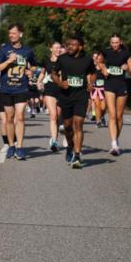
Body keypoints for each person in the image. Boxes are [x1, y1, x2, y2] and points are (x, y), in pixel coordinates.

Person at [0, 23, 36, 160]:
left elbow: (34, 66)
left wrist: (31, 71)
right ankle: (11, 145)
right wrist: (8, 61)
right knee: (10, 118)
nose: (11, 35)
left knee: (20, 116)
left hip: (21, 88)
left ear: (20, 34)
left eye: (14, 33)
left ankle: (20, 147)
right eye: (10, 33)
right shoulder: (4, 50)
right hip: (6, 89)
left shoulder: (28, 51)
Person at [52, 33, 96, 169]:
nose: (70, 47)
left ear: (80, 47)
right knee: (67, 127)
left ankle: (77, 156)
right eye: (69, 44)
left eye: (73, 45)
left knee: (78, 124)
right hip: (66, 96)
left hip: (81, 96)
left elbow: (93, 73)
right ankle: (70, 146)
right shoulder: (62, 59)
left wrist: (91, 83)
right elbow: (53, 73)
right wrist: (59, 83)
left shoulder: (88, 60)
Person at [102, 34, 131, 155]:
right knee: (112, 114)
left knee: (119, 116)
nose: (114, 45)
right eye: (112, 42)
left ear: (120, 42)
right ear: (110, 43)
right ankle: (114, 144)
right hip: (109, 85)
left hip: (122, 85)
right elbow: (98, 61)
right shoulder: (106, 52)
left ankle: (116, 139)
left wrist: (127, 68)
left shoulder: (126, 54)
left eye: (116, 42)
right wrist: (103, 68)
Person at [39, 41, 63, 151]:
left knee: (58, 115)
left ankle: (56, 135)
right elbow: (43, 72)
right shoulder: (46, 60)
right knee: (53, 115)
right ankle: (54, 141)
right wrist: (39, 81)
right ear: (51, 49)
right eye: (56, 48)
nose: (58, 49)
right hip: (49, 89)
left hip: (62, 89)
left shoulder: (64, 60)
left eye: (60, 48)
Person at [91, 51, 108, 128]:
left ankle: (102, 116)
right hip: (94, 88)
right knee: (97, 105)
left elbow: (106, 75)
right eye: (94, 57)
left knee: (103, 107)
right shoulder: (91, 67)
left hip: (103, 88)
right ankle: (98, 121)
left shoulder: (103, 65)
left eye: (97, 57)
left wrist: (102, 67)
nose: (95, 59)